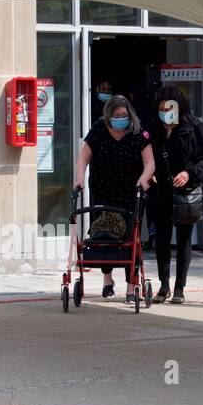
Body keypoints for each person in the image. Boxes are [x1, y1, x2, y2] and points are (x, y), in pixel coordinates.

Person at [74, 94, 155, 301]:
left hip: (130, 193)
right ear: (108, 115)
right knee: (104, 238)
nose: (121, 118)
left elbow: (149, 163)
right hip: (103, 192)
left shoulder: (138, 132)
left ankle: (130, 287)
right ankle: (107, 280)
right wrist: (79, 180)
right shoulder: (99, 130)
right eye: (116, 115)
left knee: (130, 238)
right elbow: (84, 157)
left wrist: (144, 178)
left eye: (124, 115)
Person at [147, 86, 203, 303]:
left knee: (184, 240)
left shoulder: (194, 126)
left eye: (169, 108)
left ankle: (179, 288)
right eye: (161, 109)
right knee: (162, 239)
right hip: (161, 192)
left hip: (186, 192)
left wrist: (189, 173)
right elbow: (147, 157)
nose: (164, 112)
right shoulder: (154, 129)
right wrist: (151, 173)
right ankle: (164, 285)